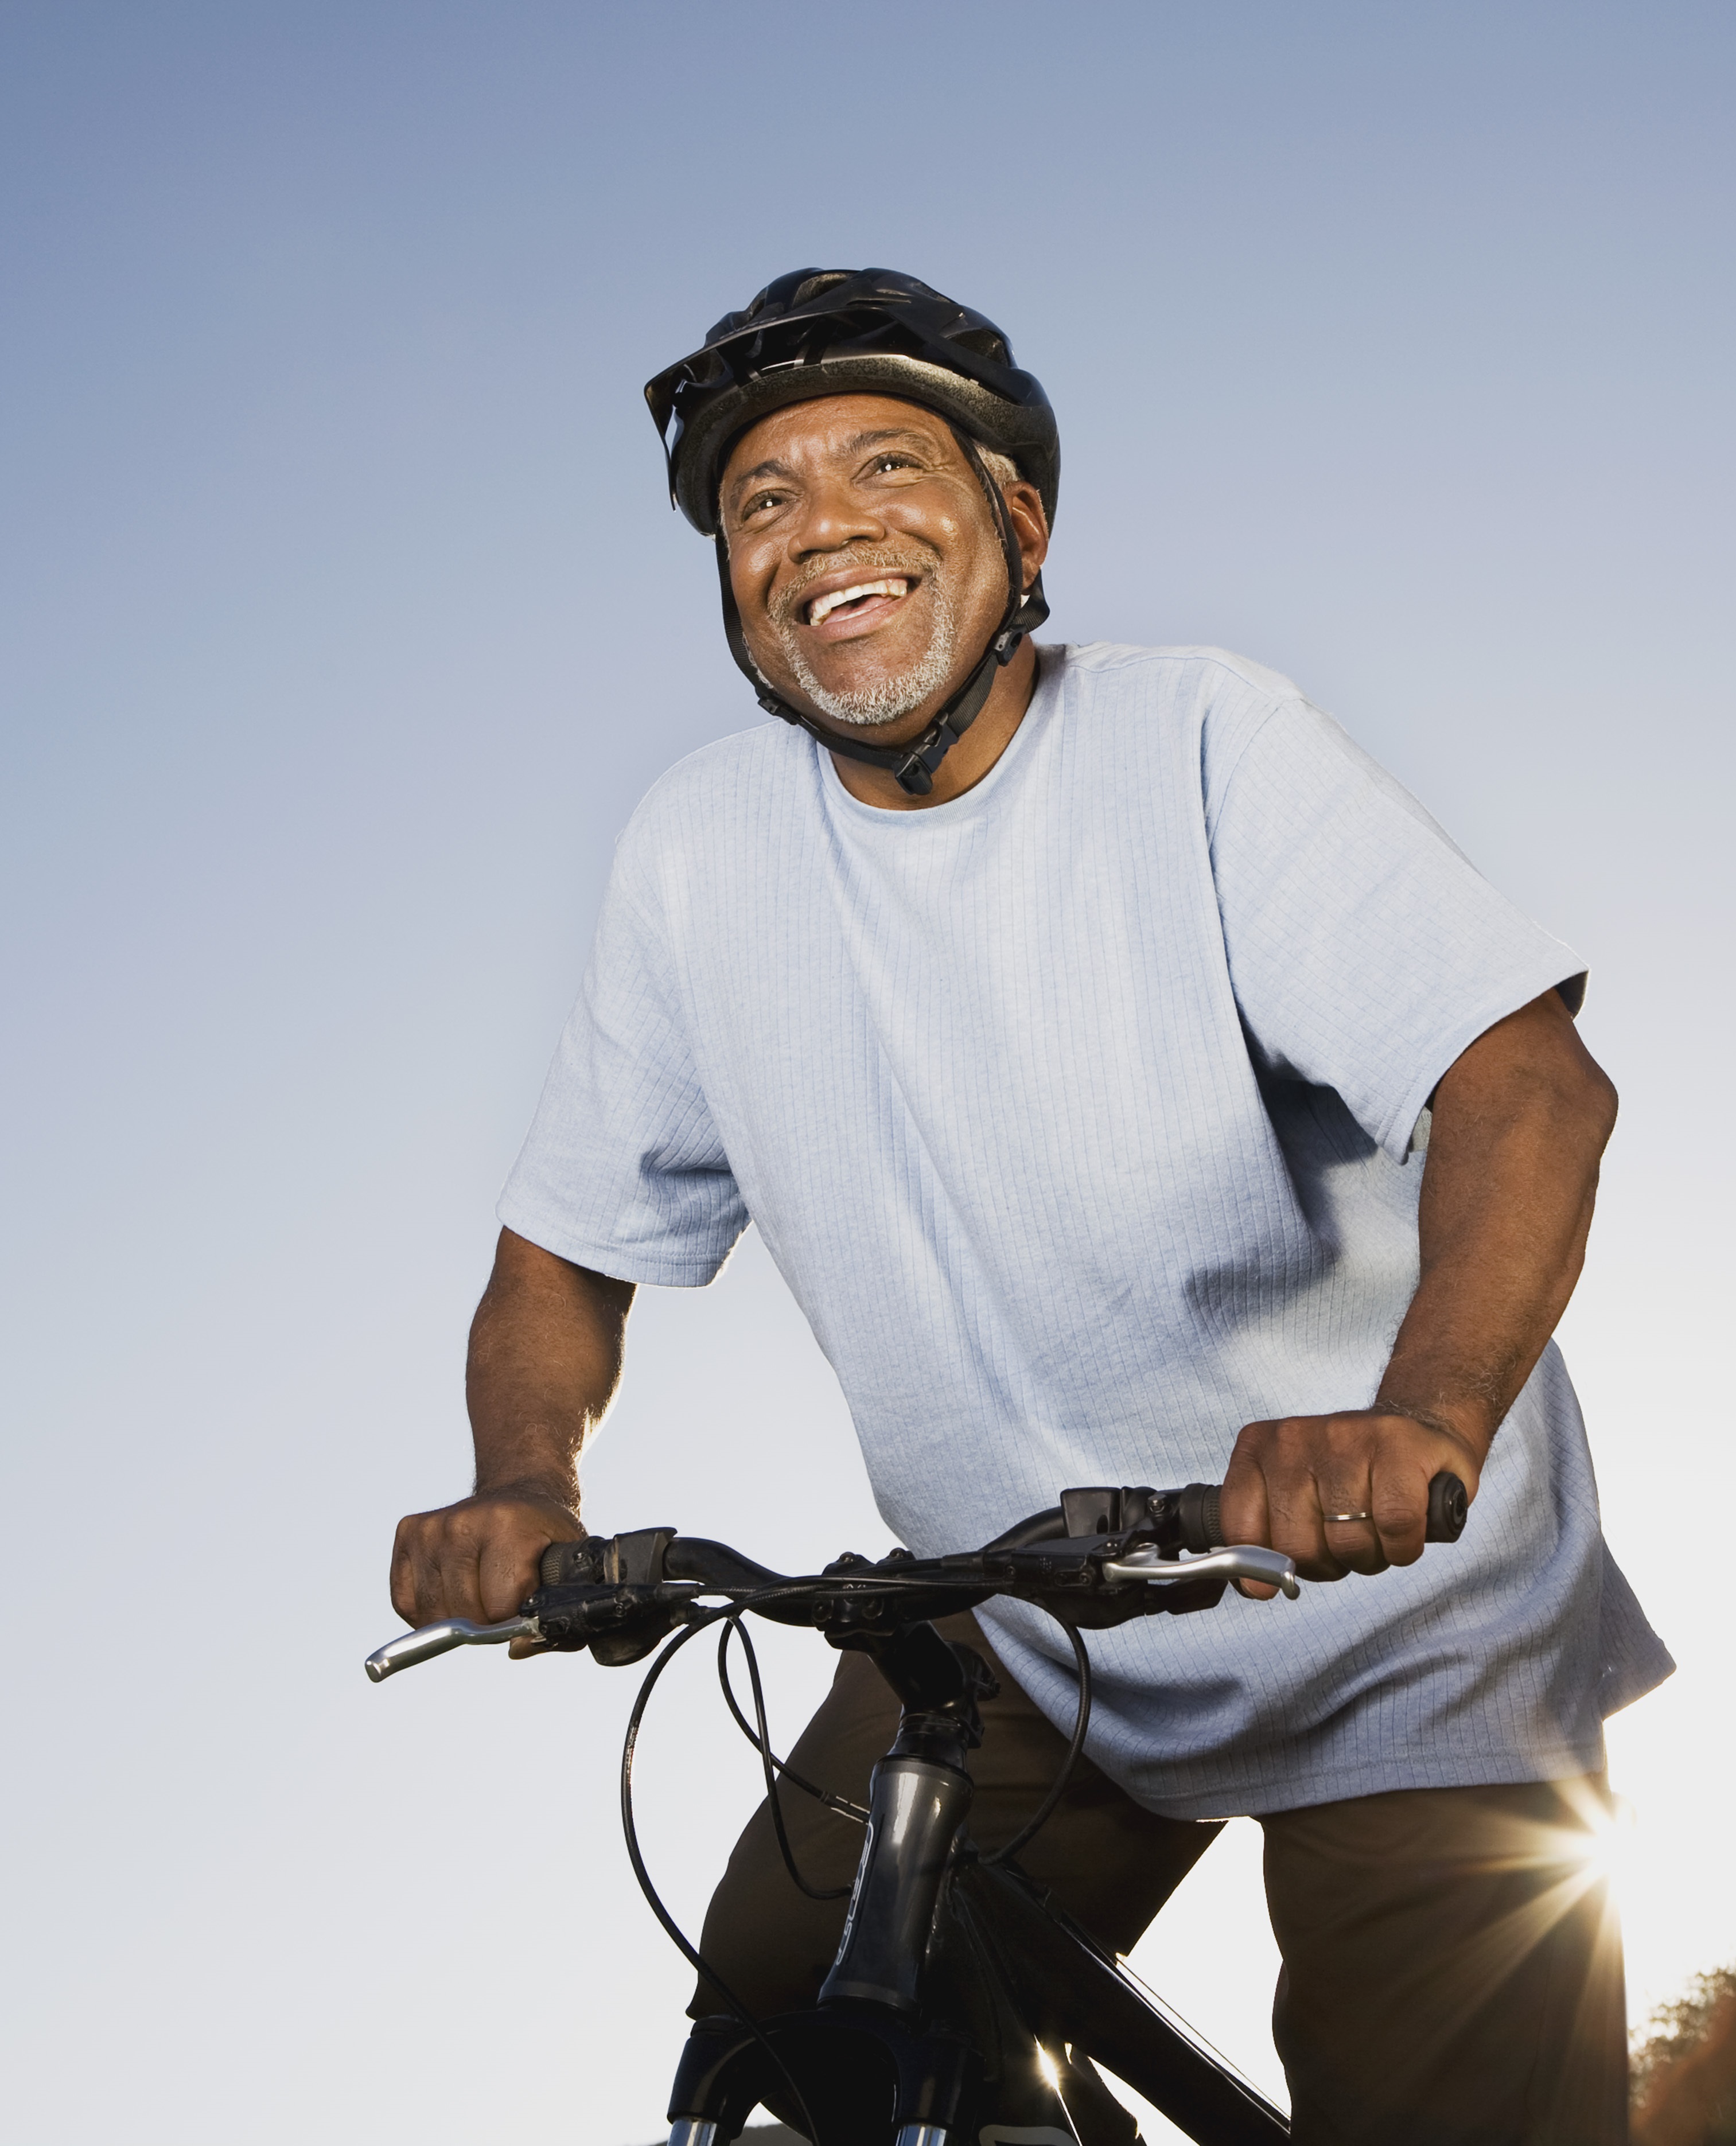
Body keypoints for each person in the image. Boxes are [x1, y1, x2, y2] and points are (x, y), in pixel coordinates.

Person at [388, 268, 1671, 2144]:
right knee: (780, 2005)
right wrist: (526, 1489)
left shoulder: (1201, 741)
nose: (821, 527)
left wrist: (1427, 1418)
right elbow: (563, 1257)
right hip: (1032, 1620)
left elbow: (1526, 1086)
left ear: (1020, 523)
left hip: (1401, 1613)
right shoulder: (698, 860)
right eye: (762, 503)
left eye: (886, 467)